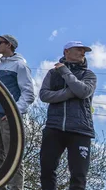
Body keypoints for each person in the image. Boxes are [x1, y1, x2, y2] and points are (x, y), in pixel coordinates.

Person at [39, 41, 97, 190]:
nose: (82, 53)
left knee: (78, 176)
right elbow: (44, 95)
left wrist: (65, 72)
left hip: (80, 130)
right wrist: (70, 93)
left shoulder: (89, 75)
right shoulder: (52, 73)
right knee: (46, 170)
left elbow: (83, 92)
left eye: (84, 51)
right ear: (66, 52)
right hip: (54, 127)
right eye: (78, 49)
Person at [0, 34, 35, 190]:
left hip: (8, 119)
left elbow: (28, 93)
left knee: (12, 157)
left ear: (9, 45)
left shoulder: (20, 65)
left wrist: (15, 112)